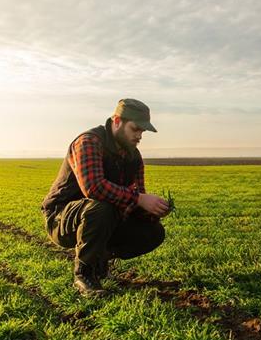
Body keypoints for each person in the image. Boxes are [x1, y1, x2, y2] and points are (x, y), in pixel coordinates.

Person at [41, 98, 170, 295]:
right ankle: (84, 274)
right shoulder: (89, 142)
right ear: (117, 121)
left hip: (104, 217)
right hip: (62, 218)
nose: (139, 136)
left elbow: (136, 198)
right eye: (135, 129)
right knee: (102, 206)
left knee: (154, 232)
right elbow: (94, 188)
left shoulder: (134, 156)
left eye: (142, 131)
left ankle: (100, 258)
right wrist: (139, 199)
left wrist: (152, 211)